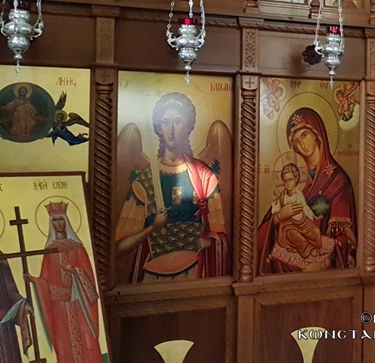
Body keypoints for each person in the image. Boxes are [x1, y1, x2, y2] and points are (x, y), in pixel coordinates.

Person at [115, 92, 230, 282]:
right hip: (153, 278)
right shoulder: (144, 181)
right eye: (165, 122)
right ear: (158, 128)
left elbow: (220, 234)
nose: (170, 130)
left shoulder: (204, 177)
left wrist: (209, 241)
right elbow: (119, 247)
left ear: (188, 127)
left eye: (177, 122)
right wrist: (151, 228)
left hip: (195, 274)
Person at [258, 107, 357, 273]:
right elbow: (266, 227)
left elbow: (344, 236)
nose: (302, 145)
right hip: (290, 255)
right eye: (296, 141)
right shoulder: (294, 178)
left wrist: (325, 263)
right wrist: (279, 217)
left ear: (317, 134)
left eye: (304, 135)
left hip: (321, 263)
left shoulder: (338, 182)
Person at [25, 201, 102, 362]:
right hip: (59, 308)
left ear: (66, 221)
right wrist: (35, 281)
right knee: (64, 345)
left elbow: (89, 277)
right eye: (55, 220)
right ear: (51, 224)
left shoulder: (77, 247)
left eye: (61, 219)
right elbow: (45, 280)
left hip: (80, 304)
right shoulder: (50, 250)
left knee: (86, 341)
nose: (58, 223)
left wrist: (74, 271)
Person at [271, 163, 332, 260]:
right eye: (285, 181)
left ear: (296, 179)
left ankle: (317, 249)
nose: (287, 183)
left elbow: (305, 208)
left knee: (316, 232)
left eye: (290, 180)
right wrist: (275, 202)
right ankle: (310, 250)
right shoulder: (282, 197)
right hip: (288, 226)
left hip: (302, 222)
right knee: (295, 236)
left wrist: (314, 217)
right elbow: (276, 210)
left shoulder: (299, 195)